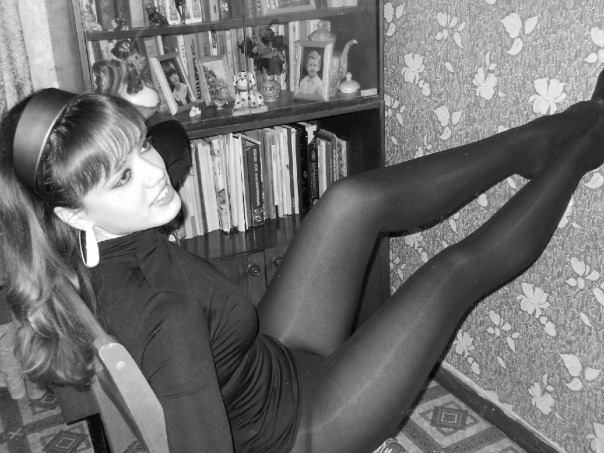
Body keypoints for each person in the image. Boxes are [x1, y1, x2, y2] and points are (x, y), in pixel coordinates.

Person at [2, 70, 604, 453]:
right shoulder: (164, 316)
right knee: (450, 273)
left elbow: (173, 145)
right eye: (123, 177)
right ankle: (582, 149)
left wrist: (134, 114)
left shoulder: (76, 241)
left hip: (264, 359)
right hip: (304, 428)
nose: (156, 174)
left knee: (350, 200)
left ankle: (541, 137)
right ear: (74, 211)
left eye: (139, 148)